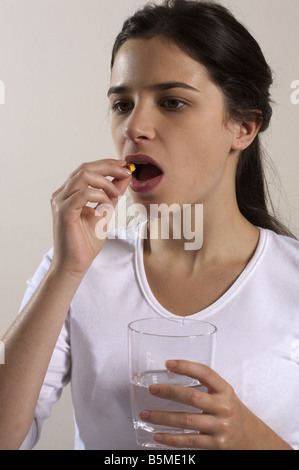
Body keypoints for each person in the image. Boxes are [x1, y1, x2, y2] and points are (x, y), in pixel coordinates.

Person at [0, 0, 298, 450]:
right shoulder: (74, 268)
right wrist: (66, 272)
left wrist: (252, 440)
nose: (135, 127)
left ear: (243, 127)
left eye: (173, 102)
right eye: (122, 104)